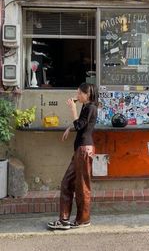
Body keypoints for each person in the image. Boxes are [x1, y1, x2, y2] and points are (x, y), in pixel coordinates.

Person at [47, 82, 98, 230]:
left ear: (87, 94)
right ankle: (63, 220)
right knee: (67, 183)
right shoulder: (87, 107)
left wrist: (73, 109)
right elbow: (81, 125)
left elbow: (80, 125)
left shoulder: (91, 107)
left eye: (79, 93)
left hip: (84, 150)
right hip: (80, 151)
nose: (77, 96)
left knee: (82, 186)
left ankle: (83, 220)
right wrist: (70, 127)